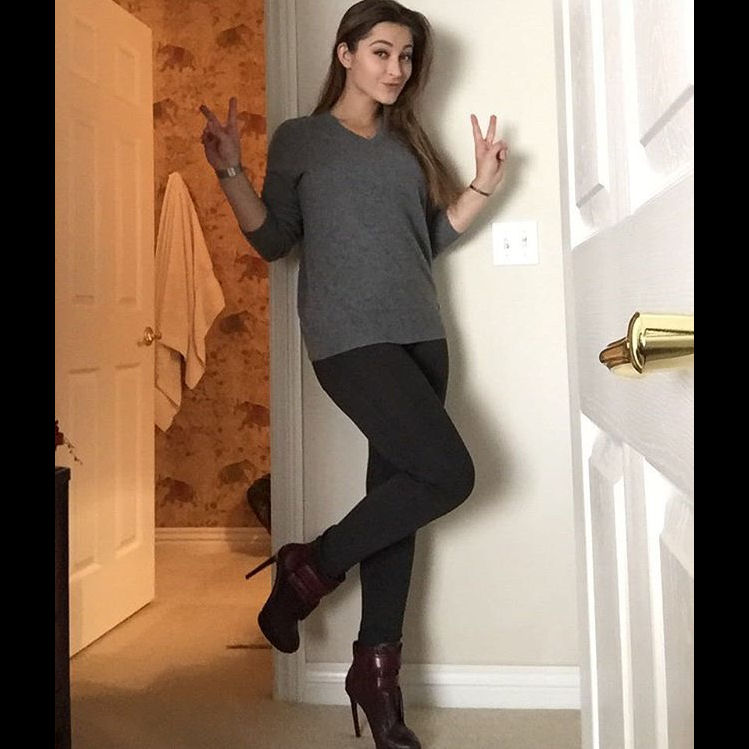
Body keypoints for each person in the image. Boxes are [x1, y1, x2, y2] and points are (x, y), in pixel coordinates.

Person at [200, 1, 508, 746]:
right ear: (344, 54)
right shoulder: (302, 138)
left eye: (405, 56)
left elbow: (424, 239)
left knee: (399, 500)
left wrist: (479, 188)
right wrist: (230, 171)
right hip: (348, 337)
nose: (396, 68)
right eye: (381, 51)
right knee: (450, 474)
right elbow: (275, 240)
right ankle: (309, 568)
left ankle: (375, 675)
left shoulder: (408, 143)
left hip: (422, 334)